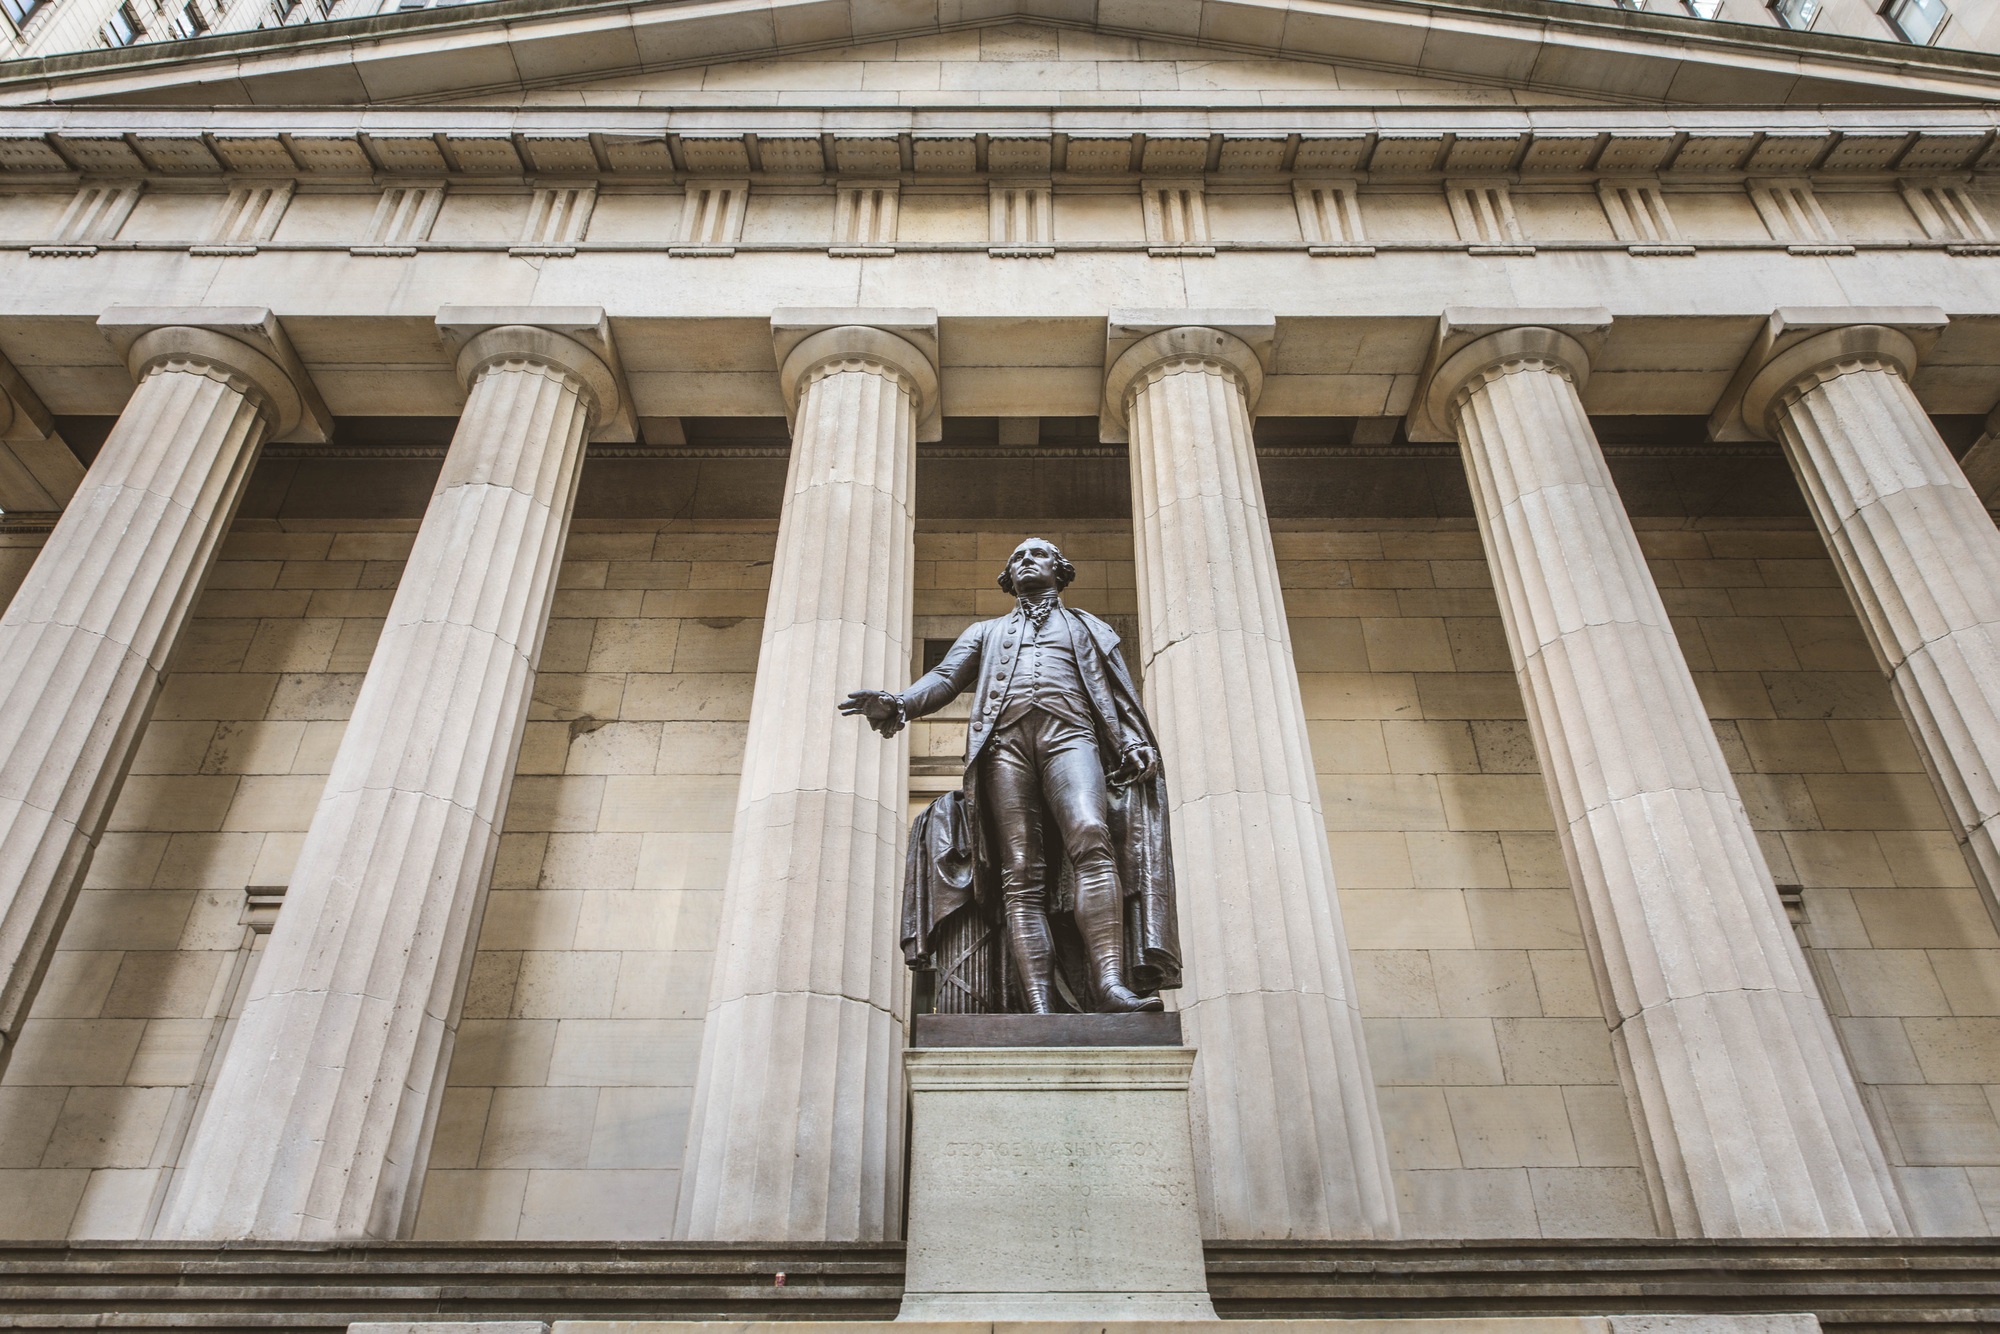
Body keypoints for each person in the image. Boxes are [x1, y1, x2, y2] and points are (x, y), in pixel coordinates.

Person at [841, 538, 1180, 1014]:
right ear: (1008, 577)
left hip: (1072, 737)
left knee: (1090, 834)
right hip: (1004, 748)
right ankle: (1038, 1004)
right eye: (1017, 557)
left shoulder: (1089, 628)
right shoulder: (987, 632)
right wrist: (899, 703)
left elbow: (1117, 694)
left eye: (1037, 554)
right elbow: (944, 678)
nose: (1025, 561)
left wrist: (1132, 740)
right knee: (1020, 871)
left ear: (1059, 570)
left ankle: (1109, 985)